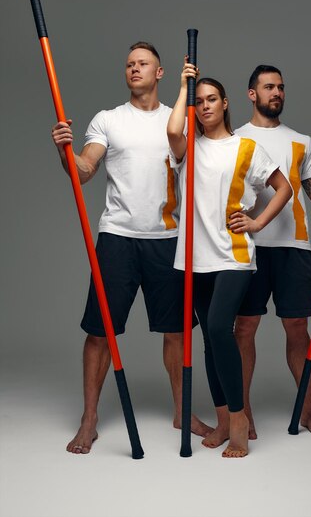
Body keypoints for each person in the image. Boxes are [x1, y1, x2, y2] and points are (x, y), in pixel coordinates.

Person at [51, 42, 212, 455]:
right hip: (118, 239)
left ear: (160, 74)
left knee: (177, 332)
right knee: (100, 333)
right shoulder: (108, 120)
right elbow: (84, 170)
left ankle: (182, 410)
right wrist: (65, 152)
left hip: (167, 240)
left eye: (143, 64)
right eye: (129, 64)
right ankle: (89, 419)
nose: (134, 68)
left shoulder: (177, 121)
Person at [167, 60, 292, 457]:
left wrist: (255, 223)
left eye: (211, 99)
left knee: (221, 328)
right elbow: (173, 128)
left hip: (234, 256)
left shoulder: (246, 148)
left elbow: (283, 188)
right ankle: (222, 419)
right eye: (198, 101)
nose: (204, 106)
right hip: (194, 257)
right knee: (208, 339)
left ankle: (238, 418)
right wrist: (185, 84)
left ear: (225, 103)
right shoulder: (188, 148)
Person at [234, 65, 311, 439]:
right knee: (244, 329)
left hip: (294, 247)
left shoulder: (302, 141)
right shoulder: (236, 139)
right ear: (251, 94)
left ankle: (309, 409)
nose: (277, 93)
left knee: (298, 332)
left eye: (281, 87)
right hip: (249, 247)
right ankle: (244, 413)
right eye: (269, 87)